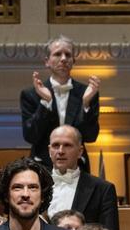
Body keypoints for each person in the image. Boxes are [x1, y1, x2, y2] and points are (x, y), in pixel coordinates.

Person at [20, 35, 100, 164]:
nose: (63, 59)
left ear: (74, 61)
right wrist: (46, 102)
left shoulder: (87, 93)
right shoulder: (30, 94)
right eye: (57, 54)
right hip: (42, 167)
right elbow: (31, 136)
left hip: (77, 167)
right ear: (47, 61)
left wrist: (86, 104)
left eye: (68, 55)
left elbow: (90, 136)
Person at [45, 125, 119, 230]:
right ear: (49, 150)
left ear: (80, 151)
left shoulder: (103, 189)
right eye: (55, 145)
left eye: (67, 145)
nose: (60, 151)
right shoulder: (35, 186)